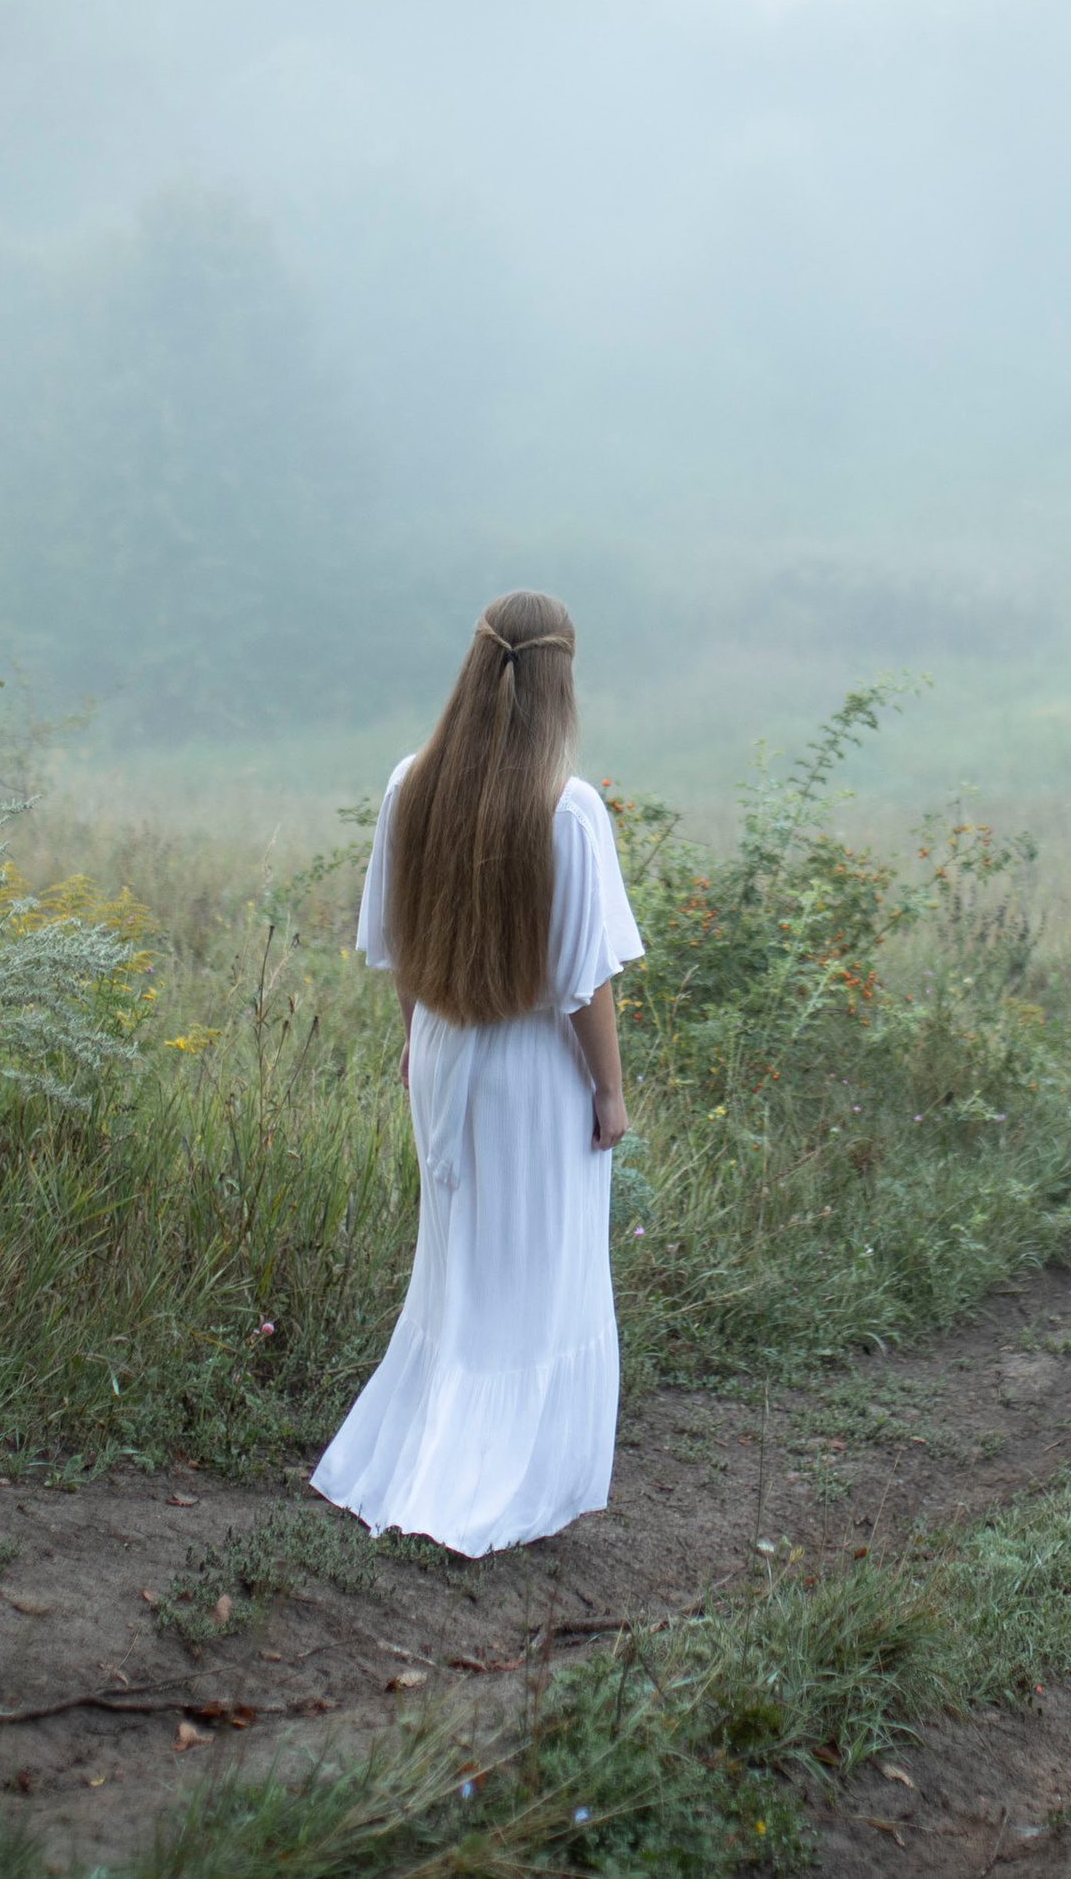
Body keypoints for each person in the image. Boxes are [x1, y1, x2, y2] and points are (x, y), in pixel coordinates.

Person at [309, 589, 644, 1556]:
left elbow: (400, 943)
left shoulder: (411, 786)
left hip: (444, 1052)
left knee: (458, 1274)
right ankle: (494, 1482)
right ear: (558, 680)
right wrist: (610, 1091)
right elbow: (584, 982)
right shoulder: (566, 808)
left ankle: (423, 1462)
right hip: (531, 1076)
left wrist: (417, 1040)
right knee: (531, 1280)